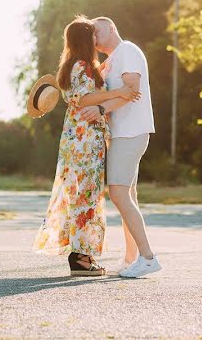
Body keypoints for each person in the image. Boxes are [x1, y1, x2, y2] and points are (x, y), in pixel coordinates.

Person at [33, 16, 141, 276]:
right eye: (93, 34)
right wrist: (119, 93)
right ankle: (81, 258)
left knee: (82, 194)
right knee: (86, 195)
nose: (97, 38)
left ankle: (81, 255)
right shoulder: (80, 65)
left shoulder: (77, 65)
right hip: (84, 141)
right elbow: (83, 99)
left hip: (79, 140)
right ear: (85, 39)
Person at [79, 16, 161, 278]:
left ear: (112, 28)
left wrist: (101, 109)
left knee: (118, 194)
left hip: (131, 133)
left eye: (98, 31)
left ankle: (148, 258)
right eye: (91, 34)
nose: (95, 37)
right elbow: (97, 91)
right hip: (122, 135)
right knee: (128, 197)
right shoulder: (112, 60)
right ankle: (131, 258)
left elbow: (131, 89)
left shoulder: (127, 51)